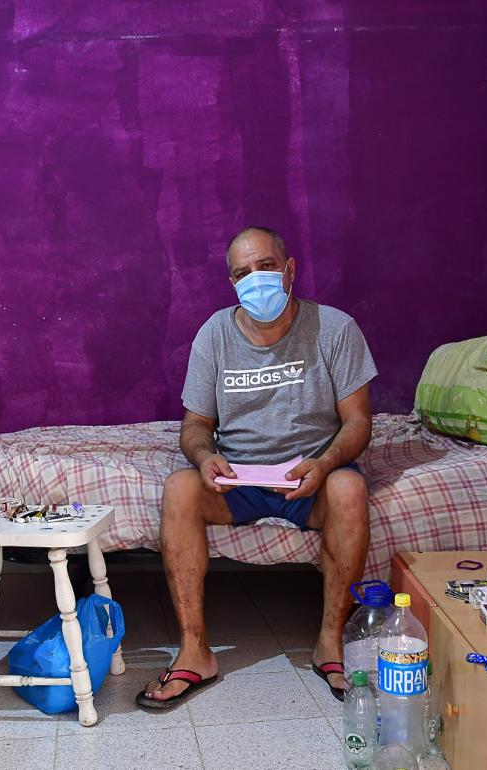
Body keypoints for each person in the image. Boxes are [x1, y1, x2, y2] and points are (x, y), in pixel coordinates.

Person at [138, 226, 377, 709]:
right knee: (181, 488)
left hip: (312, 478)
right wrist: (206, 458)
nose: (255, 280)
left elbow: (358, 422)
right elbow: (195, 427)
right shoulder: (215, 334)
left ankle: (330, 640)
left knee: (350, 489)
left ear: (289, 270)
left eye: (265, 267)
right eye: (241, 273)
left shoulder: (334, 328)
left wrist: (325, 461)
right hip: (238, 481)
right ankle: (194, 650)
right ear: (232, 283)